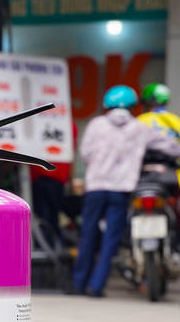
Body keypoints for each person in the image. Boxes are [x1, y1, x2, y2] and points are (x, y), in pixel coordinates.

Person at [72, 85, 180, 297]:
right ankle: (96, 287)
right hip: (121, 189)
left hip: (96, 187)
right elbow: (170, 147)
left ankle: (78, 284)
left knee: (88, 235)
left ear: (107, 105)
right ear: (132, 106)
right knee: (111, 239)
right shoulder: (139, 128)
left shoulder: (96, 124)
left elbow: (85, 153)